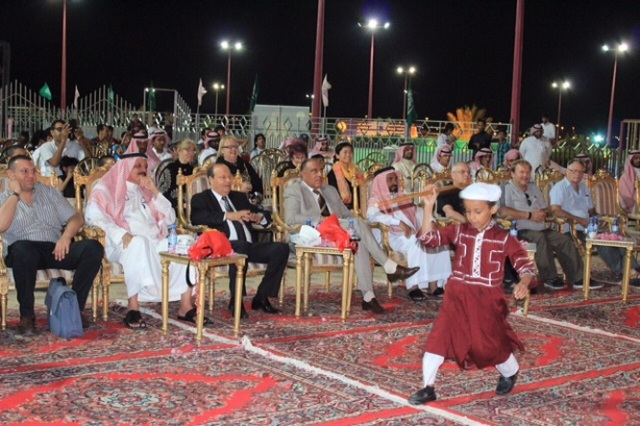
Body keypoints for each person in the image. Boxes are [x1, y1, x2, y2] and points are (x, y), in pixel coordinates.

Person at [408, 182, 535, 405]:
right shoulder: (459, 231)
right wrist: (428, 207)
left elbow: (525, 267)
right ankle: (428, 387)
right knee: (439, 338)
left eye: (478, 211)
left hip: (487, 299)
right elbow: (428, 239)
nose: (472, 217)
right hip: (456, 295)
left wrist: (524, 283)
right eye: (468, 211)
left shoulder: (504, 238)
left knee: (486, 345)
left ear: (493, 209)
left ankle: (510, 370)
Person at [284, 159, 420, 314]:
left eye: (320, 170)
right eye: (314, 171)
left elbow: (346, 214)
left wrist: (350, 222)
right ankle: (388, 266)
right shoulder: (295, 190)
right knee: (355, 226)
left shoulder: (329, 190)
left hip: (336, 234)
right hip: (311, 234)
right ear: (303, 174)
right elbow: (290, 219)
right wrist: (322, 220)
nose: (319, 174)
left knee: (358, 240)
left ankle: (369, 297)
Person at [85, 153, 199, 328]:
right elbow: (94, 217)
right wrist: (120, 233)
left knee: (186, 242)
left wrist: (155, 192)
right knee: (138, 243)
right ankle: (133, 307)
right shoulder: (106, 189)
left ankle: (185, 306)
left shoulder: (145, 190)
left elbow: (170, 219)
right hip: (122, 244)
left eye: (145, 166)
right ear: (125, 167)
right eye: (137, 166)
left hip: (155, 242)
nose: (143, 170)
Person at [0, 155, 103, 334]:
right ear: (11, 174)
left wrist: (66, 237)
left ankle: (74, 309)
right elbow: (1, 225)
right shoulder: (4, 198)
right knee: (24, 249)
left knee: (93, 248)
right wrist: (15, 195)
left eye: (33, 171)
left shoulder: (48, 192)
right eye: (24, 171)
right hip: (22, 252)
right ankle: (27, 316)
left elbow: (76, 217)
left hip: (55, 248)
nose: (31, 176)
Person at [190, 163, 289, 318]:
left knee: (281, 248)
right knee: (240, 247)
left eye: (229, 177)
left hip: (248, 246)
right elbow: (196, 218)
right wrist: (227, 215)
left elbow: (263, 214)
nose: (227, 181)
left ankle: (261, 297)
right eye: (222, 177)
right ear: (211, 179)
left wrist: (259, 218)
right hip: (222, 247)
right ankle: (236, 301)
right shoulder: (201, 198)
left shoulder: (238, 197)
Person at [499, 160, 591, 290]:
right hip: (519, 230)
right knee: (540, 239)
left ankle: (578, 278)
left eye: (527, 172)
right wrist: (529, 215)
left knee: (564, 239)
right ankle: (549, 277)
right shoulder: (505, 189)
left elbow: (546, 208)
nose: (525, 175)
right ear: (512, 173)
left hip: (540, 227)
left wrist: (543, 213)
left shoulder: (534, 188)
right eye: (521, 172)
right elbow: (503, 211)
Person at [549, 159, 640, 286]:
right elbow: (555, 210)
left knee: (616, 238)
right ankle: (629, 272)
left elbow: (591, 210)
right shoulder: (559, 188)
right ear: (567, 172)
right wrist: (580, 220)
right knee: (603, 243)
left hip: (588, 227)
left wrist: (599, 222)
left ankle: (635, 269)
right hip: (571, 229)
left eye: (580, 172)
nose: (577, 174)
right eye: (574, 171)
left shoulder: (584, 188)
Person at [367, 167, 451, 300]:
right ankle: (413, 286)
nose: (394, 182)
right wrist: (398, 222)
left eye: (395, 178)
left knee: (436, 238)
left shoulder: (403, 198)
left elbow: (418, 212)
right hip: (391, 237)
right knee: (415, 241)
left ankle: (434, 285)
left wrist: (432, 221)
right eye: (390, 179)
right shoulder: (376, 200)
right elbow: (372, 216)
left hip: (408, 235)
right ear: (381, 183)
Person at [157, 138, 197, 210]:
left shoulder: (194, 170)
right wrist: (180, 204)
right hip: (173, 208)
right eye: (188, 150)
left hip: (192, 206)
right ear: (179, 151)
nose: (191, 153)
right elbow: (163, 193)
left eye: (193, 150)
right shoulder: (170, 169)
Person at [327, 142, 364, 211]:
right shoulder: (333, 173)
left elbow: (363, 189)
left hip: (358, 207)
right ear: (337, 155)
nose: (348, 155)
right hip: (341, 209)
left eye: (350, 152)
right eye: (345, 152)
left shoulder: (357, 170)